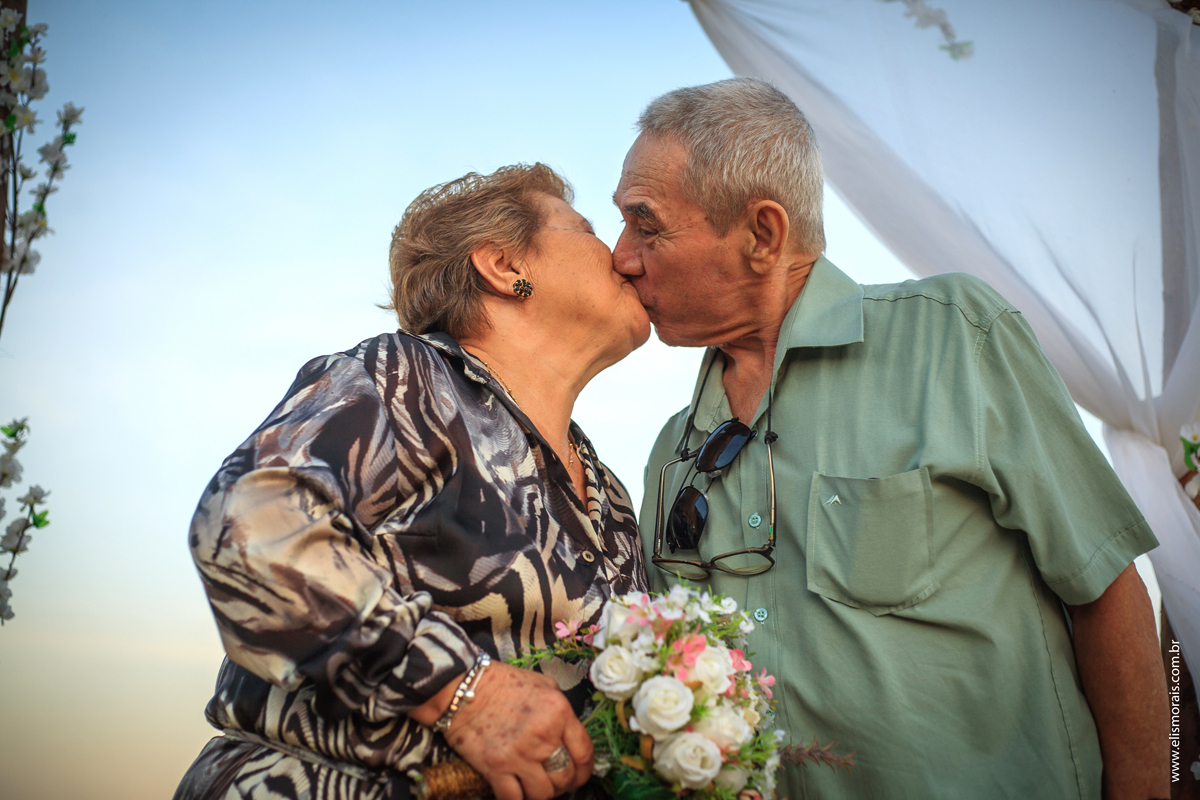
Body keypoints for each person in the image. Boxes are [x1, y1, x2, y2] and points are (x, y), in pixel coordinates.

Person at [614, 78, 1170, 800]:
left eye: (647, 225)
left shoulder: (954, 336)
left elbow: (1106, 588)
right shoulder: (671, 450)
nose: (622, 256)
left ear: (763, 235)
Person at [174, 163, 652, 800]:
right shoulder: (404, 381)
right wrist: (462, 693)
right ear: (504, 265)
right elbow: (250, 523)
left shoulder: (609, 492)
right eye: (587, 230)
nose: (622, 254)